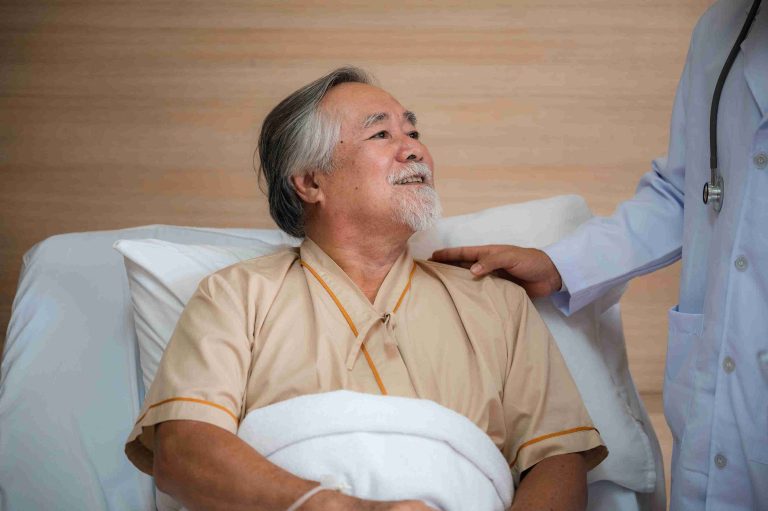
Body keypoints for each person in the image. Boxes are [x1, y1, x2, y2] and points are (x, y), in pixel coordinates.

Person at [124, 67, 607, 511]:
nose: (415, 149)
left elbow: (557, 459)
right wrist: (331, 506)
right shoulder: (236, 294)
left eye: (413, 132)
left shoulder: (494, 299)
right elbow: (183, 451)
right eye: (382, 133)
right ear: (311, 182)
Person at [432, 1, 767, 509]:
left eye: (410, 130)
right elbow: (691, 191)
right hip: (727, 396)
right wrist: (559, 265)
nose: (410, 150)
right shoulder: (725, 29)